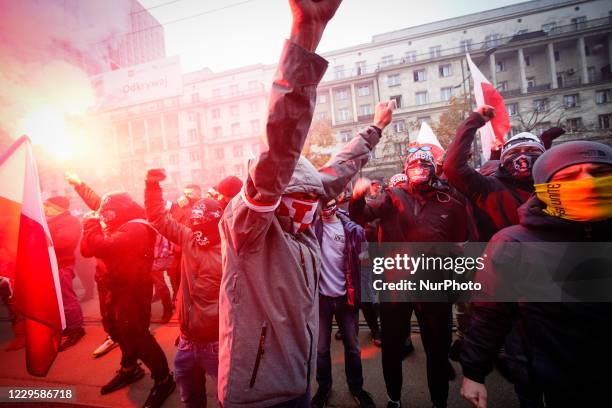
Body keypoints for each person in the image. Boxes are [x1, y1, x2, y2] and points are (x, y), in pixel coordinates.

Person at [217, 1, 394, 405]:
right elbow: (279, 147)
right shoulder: (248, 229)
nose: (310, 208)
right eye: (299, 199)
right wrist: (306, 36)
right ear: (274, 194)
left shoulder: (304, 221)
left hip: (299, 384)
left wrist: (375, 129)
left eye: (314, 200)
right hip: (256, 395)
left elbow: (336, 173)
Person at [460, 140, 612, 408]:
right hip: (545, 377)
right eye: (570, 176)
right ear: (544, 187)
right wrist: (474, 370)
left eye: (599, 173)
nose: (587, 183)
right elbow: (490, 313)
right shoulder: (513, 242)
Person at [350, 145, 474, 408]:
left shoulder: (450, 202)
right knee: (392, 348)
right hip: (396, 286)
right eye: (414, 164)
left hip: (434, 287)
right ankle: (394, 399)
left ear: (433, 170)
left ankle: (439, 401)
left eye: (425, 164)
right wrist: (358, 198)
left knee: (437, 350)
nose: (419, 168)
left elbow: (461, 245)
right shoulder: (392, 197)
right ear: (405, 170)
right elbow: (361, 215)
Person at [81, 191, 174, 407]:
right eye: (103, 212)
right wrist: (94, 227)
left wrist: (92, 225)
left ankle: (164, 379)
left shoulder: (136, 226)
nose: (105, 215)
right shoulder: (117, 225)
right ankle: (129, 368)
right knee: (116, 330)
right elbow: (86, 249)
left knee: (136, 335)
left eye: (109, 211)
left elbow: (102, 246)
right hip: (114, 287)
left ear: (121, 209)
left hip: (134, 290)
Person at [146, 169, 223, 408]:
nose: (198, 227)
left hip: (217, 345)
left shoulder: (232, 250)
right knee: (190, 399)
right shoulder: (189, 238)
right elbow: (158, 218)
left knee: (229, 399)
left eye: (204, 222)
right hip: (187, 341)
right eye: (194, 222)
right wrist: (152, 186)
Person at [444, 105, 546, 242]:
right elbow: (454, 167)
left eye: (531, 151)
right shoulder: (488, 188)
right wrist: (474, 120)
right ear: (502, 161)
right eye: (514, 153)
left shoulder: (558, 190)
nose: (523, 158)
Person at [311, 199, 375, 408]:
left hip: (346, 297)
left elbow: (365, 265)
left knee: (353, 347)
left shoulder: (353, 231)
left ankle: (356, 387)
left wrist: (366, 294)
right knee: (320, 349)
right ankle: (323, 388)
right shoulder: (311, 228)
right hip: (320, 298)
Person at [66, 172, 118, 357]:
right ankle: (112, 335)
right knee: (106, 310)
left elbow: (96, 248)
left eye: (108, 206)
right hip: (103, 274)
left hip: (119, 277)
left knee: (121, 312)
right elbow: (87, 251)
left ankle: (127, 346)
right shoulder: (109, 215)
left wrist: (90, 225)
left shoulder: (127, 224)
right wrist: (79, 184)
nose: (102, 210)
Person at [43, 196, 85, 351]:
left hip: (62, 264)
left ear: (57, 207)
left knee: (66, 298)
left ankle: (76, 328)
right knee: (59, 298)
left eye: (48, 205)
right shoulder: (53, 221)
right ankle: (67, 325)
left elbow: (63, 241)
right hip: (53, 265)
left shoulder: (69, 221)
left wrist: (42, 237)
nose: (45, 208)